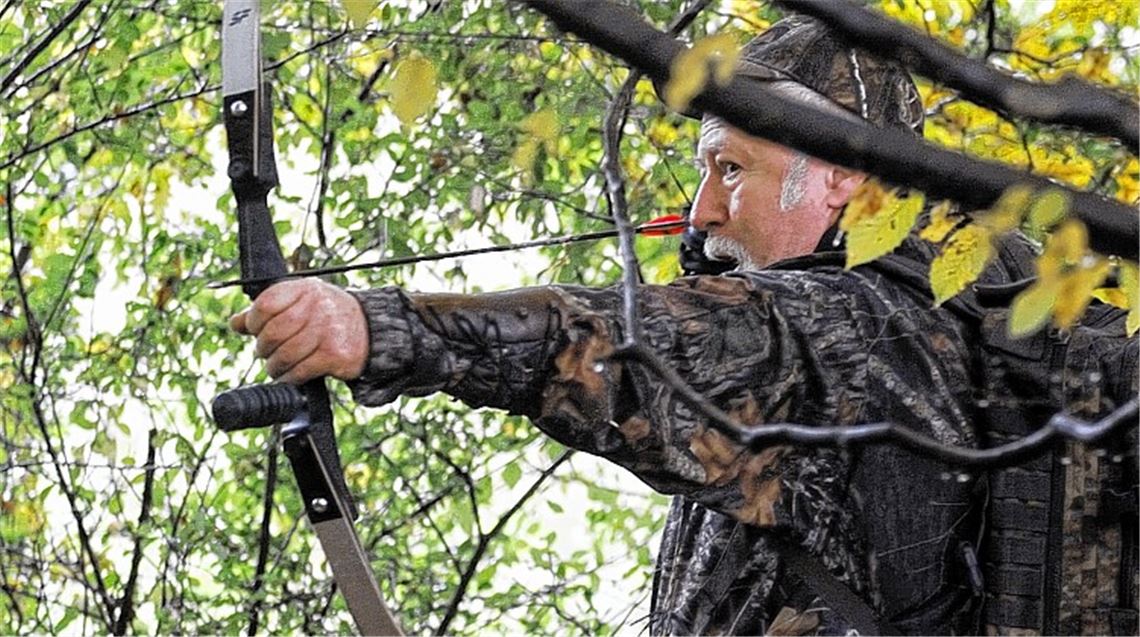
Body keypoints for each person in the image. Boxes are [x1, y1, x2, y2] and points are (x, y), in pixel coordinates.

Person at [230, 16, 1134, 635]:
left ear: (845, 176)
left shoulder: (856, 332)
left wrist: (379, 330)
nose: (699, 210)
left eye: (731, 168)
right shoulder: (931, 338)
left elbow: (635, 349)